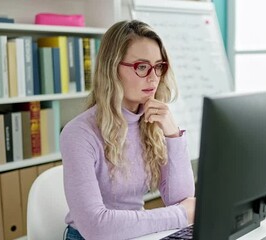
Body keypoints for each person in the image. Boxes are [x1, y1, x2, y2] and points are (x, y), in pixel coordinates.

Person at [60, 20, 196, 240]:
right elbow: (96, 227)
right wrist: (180, 215)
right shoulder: (79, 133)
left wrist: (172, 134)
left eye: (159, 66)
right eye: (142, 67)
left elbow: (181, 199)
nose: (153, 77)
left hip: (138, 234)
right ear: (112, 69)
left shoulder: (151, 122)